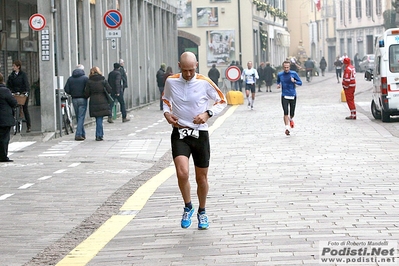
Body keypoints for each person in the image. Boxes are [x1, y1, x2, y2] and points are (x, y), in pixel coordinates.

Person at [162, 51, 227, 230]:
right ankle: (188, 206)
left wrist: (208, 114)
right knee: (182, 173)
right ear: (179, 66)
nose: (188, 74)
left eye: (191, 70)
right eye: (185, 70)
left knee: (201, 178)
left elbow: (222, 100)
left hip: (200, 134)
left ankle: (202, 211)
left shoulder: (204, 82)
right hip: (180, 132)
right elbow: (166, 99)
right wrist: (167, 114)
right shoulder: (171, 81)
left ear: (196, 66)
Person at [84, 67, 112, 141]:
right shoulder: (103, 80)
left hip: (93, 101)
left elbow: (87, 93)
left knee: (98, 118)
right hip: (102, 100)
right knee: (100, 119)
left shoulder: (89, 81)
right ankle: (99, 135)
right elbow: (109, 90)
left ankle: (100, 134)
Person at [276, 60, 303, 136]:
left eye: (287, 67)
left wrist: (294, 81)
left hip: (292, 95)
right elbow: (278, 81)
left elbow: (300, 83)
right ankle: (287, 128)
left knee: (292, 113)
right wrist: (278, 85)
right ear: (283, 67)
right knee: (285, 112)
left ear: (289, 67)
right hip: (284, 95)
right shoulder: (280, 74)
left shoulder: (294, 74)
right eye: (285, 67)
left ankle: (290, 119)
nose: (286, 69)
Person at [64, 64, 89, 141]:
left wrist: (72, 93)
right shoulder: (85, 78)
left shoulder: (70, 79)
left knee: (79, 117)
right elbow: (88, 88)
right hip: (83, 99)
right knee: (81, 117)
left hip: (74, 99)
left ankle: (82, 134)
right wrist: (86, 95)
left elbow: (66, 89)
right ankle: (78, 134)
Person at [6, 60, 31, 132]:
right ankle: (12, 123)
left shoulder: (23, 75)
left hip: (22, 94)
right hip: (15, 94)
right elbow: (9, 85)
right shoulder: (11, 75)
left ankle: (28, 126)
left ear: (18, 67)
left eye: (14, 66)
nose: (13, 67)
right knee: (12, 107)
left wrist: (25, 92)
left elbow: (26, 84)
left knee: (25, 108)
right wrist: (11, 91)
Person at [0, 73, 18, 162]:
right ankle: (3, 156)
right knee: (4, 138)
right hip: (4, 119)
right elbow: (14, 103)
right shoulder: (5, 91)